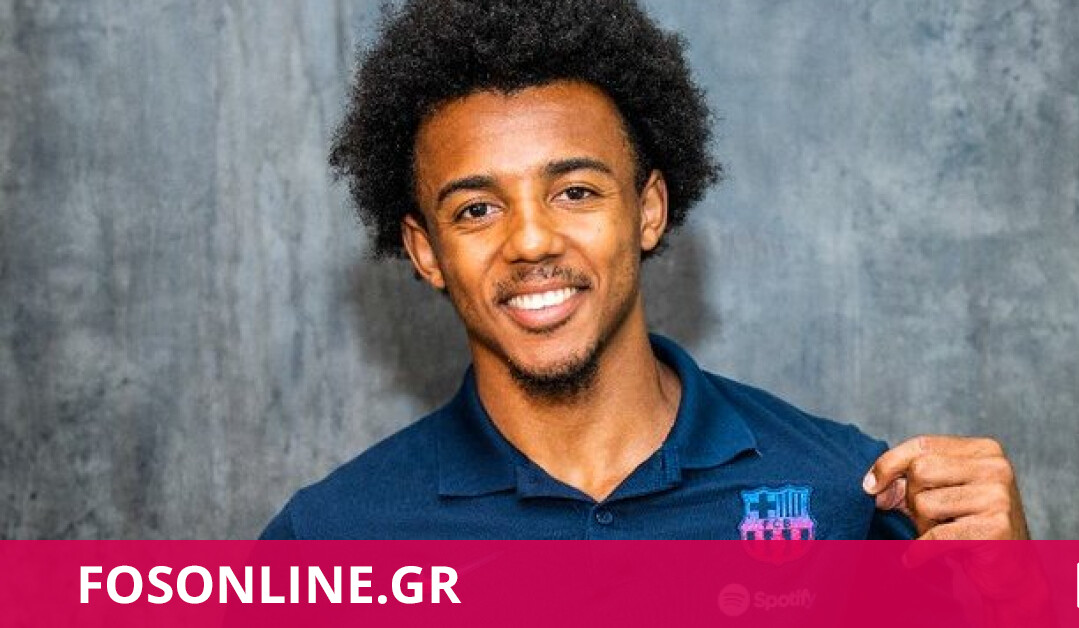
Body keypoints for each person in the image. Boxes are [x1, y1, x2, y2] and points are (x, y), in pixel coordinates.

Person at [261, 0, 1028, 541]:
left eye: (575, 192)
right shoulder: (331, 540)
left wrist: (1018, 596)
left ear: (649, 209)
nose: (531, 242)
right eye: (477, 209)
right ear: (427, 249)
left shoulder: (846, 493)